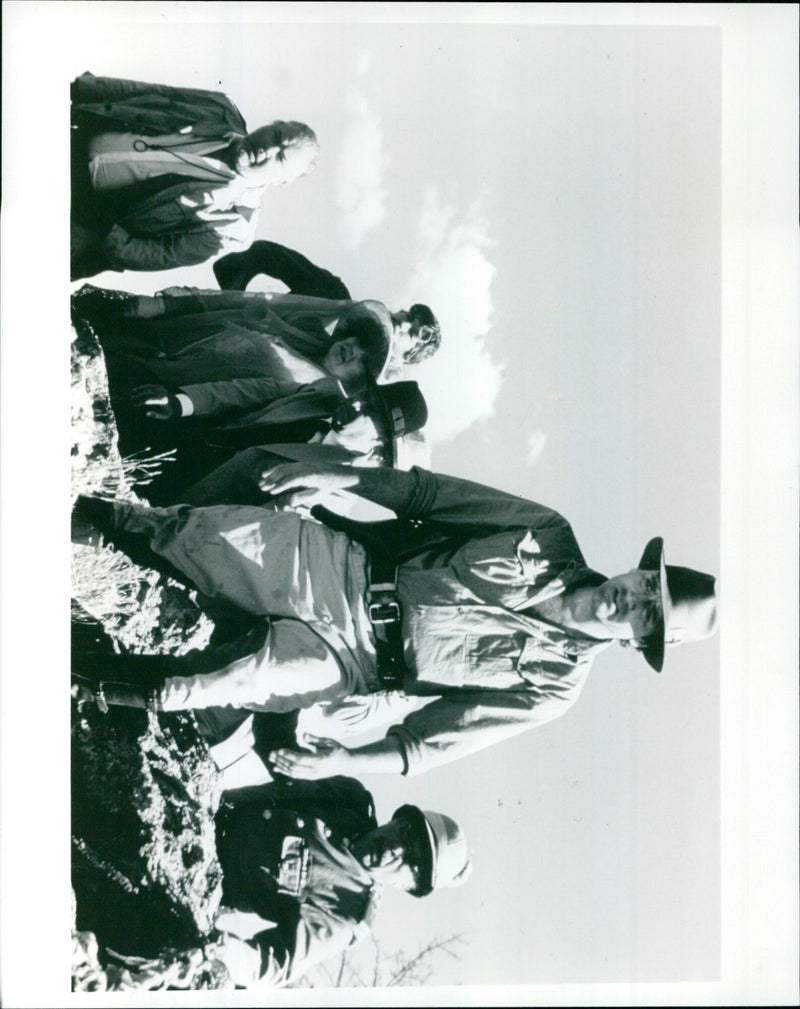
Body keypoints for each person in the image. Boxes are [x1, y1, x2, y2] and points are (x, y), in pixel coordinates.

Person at [72, 463, 719, 778]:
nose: (628, 600)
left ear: (640, 643)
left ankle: (70, 680)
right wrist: (335, 475)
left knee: (191, 688)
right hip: (334, 566)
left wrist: (345, 761)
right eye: (643, 585)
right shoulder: (546, 533)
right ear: (637, 570)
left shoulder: (556, 687)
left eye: (645, 614)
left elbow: (432, 741)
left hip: (349, 661)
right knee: (178, 533)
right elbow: (426, 494)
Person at [71, 284, 428, 501]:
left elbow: (245, 397)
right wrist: (170, 306)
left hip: (178, 439)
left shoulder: (324, 430)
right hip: (159, 352)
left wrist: (181, 404)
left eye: (364, 362)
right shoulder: (302, 336)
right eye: (358, 339)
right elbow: (239, 307)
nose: (353, 349)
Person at [208, 777, 471, 987]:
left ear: (408, 887)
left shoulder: (347, 913)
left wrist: (219, 953)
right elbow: (279, 785)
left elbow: (277, 964)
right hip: (205, 806)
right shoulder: (350, 798)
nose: (394, 849)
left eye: (411, 860)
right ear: (397, 819)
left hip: (208, 878)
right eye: (405, 833)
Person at [71, 72, 319, 279]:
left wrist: (99, 235)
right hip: (73, 137)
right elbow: (153, 92)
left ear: (282, 182)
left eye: (282, 157)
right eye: (277, 136)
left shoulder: (235, 225)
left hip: (82, 219)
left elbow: (163, 254)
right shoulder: (222, 108)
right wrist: (82, 88)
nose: (268, 149)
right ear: (271, 125)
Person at [211, 239, 442, 367]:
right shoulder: (333, 295)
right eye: (408, 316)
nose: (402, 324)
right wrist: (232, 305)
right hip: (208, 337)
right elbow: (264, 254)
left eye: (411, 333)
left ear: (403, 359)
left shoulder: (358, 396)